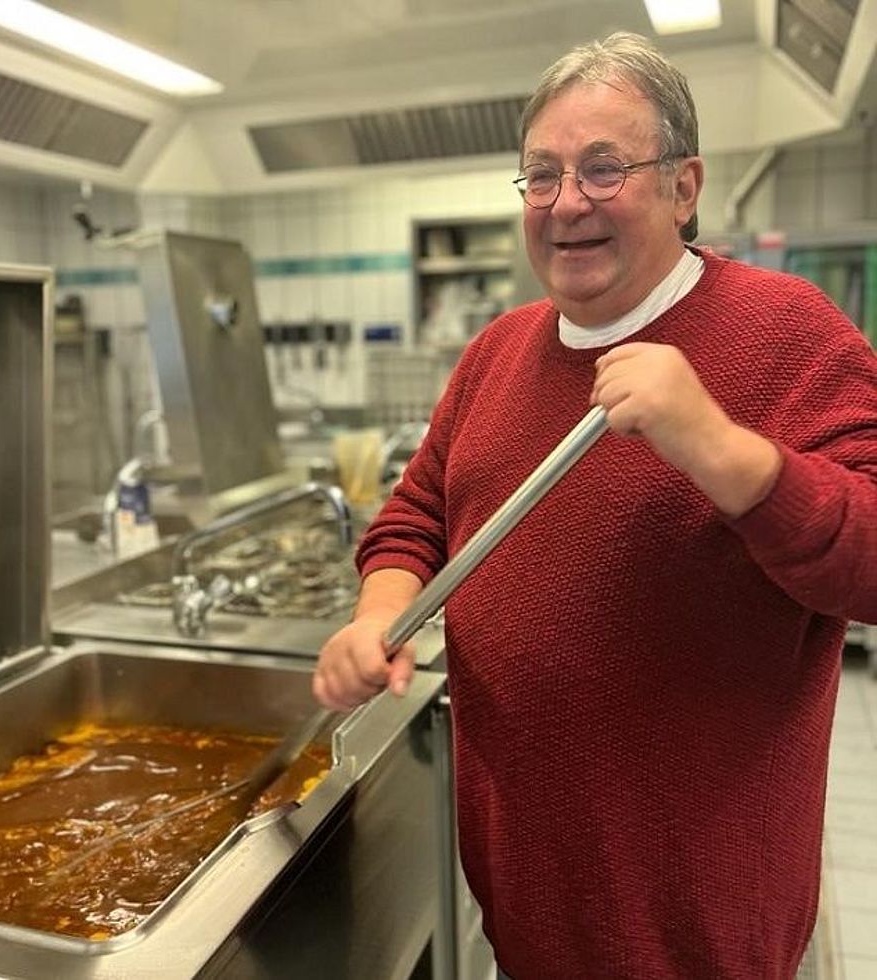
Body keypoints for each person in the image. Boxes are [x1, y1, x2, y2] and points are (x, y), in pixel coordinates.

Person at [313, 31, 877, 980]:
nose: (567, 202)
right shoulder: (499, 351)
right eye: (542, 175)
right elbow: (417, 512)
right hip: (526, 904)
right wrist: (380, 615)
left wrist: (718, 447)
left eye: (605, 168)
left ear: (685, 187)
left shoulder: (790, 334)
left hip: (705, 931)